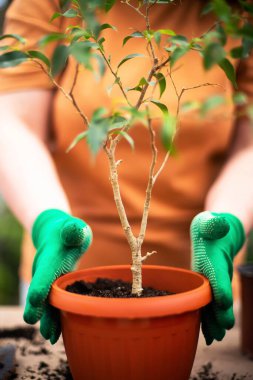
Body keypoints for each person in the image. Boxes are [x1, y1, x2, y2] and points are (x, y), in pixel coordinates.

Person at [0, 0, 252, 345]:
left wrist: (228, 221)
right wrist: (48, 221)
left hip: (199, 283)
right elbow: (13, 123)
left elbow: (249, 146)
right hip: (69, 271)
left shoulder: (240, 15)